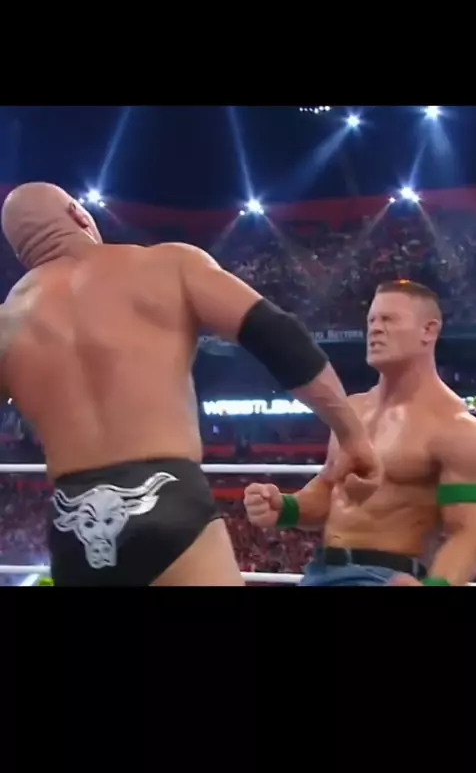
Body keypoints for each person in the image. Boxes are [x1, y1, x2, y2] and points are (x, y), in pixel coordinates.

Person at [0, 182, 377, 587]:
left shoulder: (7, 324)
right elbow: (278, 336)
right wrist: (351, 434)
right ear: (79, 213)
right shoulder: (168, 265)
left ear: (22, 252)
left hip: (73, 518)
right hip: (166, 496)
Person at [244, 280, 476, 587]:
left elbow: (470, 533)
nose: (375, 329)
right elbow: (328, 489)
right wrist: (284, 507)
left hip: (385, 578)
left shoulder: (457, 428)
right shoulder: (352, 410)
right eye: (372, 320)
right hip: (319, 571)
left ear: (428, 330)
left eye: (389, 319)